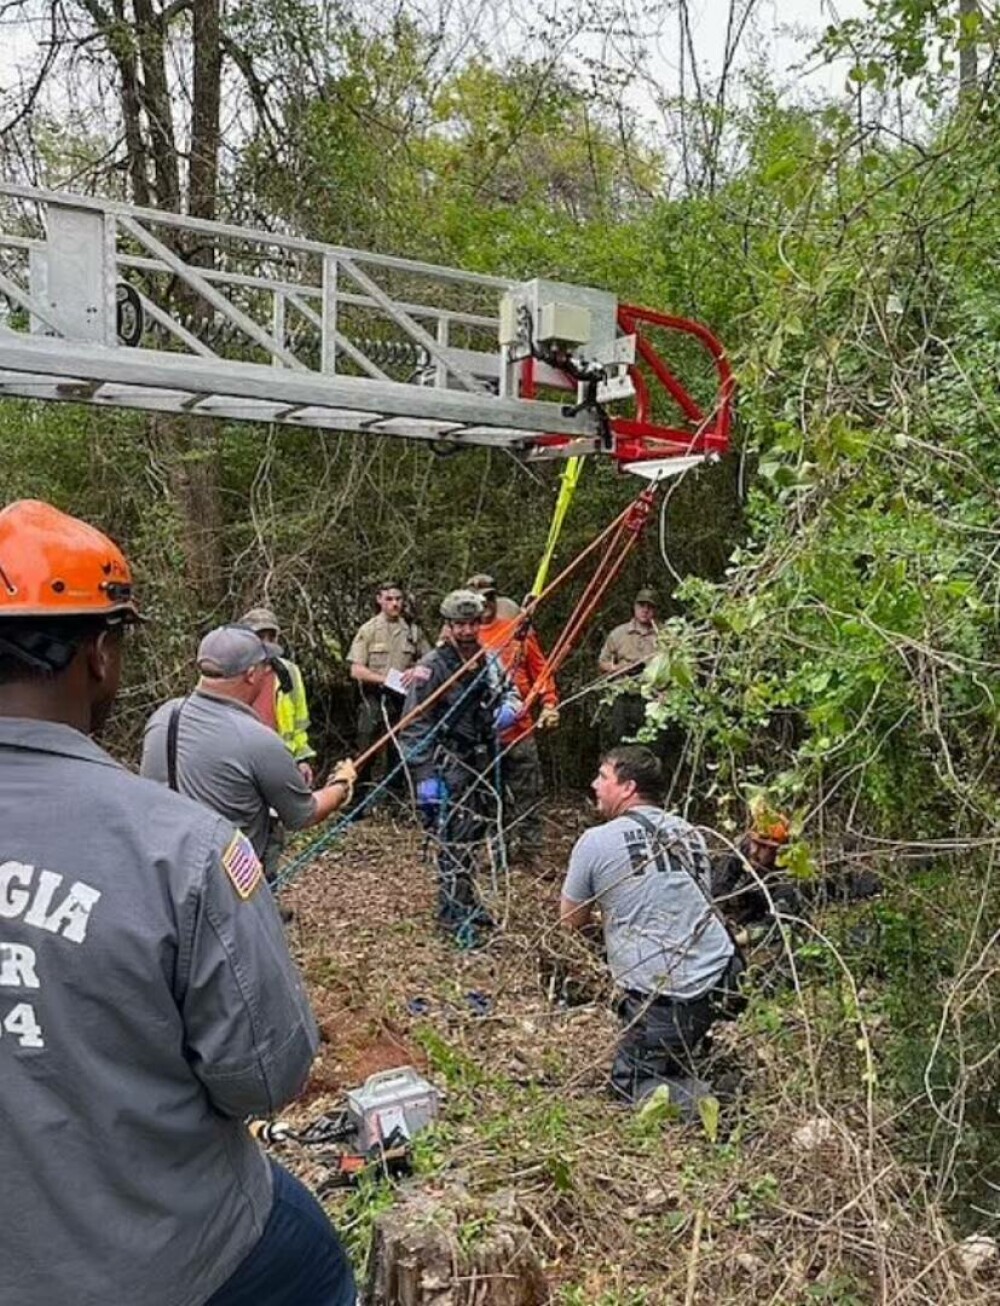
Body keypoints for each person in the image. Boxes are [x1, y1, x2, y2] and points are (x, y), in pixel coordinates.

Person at [0, 499, 354, 1306]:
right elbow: (266, 1080)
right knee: (317, 1264)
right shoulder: (188, 851)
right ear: (100, 654)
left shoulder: (169, 732)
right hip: (158, 1258)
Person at [560, 745, 736, 1114]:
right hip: (720, 978)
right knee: (669, 1044)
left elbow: (570, 921)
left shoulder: (596, 842)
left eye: (603, 777)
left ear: (628, 788)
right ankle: (684, 1054)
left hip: (666, 996)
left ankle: (716, 1099)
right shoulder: (690, 833)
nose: (595, 784)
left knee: (631, 1085)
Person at [140, 624, 356, 883]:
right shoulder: (259, 740)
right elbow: (303, 814)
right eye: (266, 667)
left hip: (166, 874)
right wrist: (341, 785)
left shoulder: (165, 715)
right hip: (228, 888)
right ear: (252, 674)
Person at [398, 588, 520, 946]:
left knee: (472, 835)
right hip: (446, 764)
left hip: (479, 759)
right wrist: (426, 784)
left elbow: (497, 700)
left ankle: (466, 900)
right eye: (459, 625)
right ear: (448, 626)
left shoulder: (485, 662)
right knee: (453, 839)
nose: (467, 631)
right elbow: (414, 728)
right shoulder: (432, 668)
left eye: (472, 623)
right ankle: (452, 915)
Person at [467, 573, 559, 866]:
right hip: (483, 734)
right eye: (479, 600)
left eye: (490, 598)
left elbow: (540, 668)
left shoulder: (516, 631)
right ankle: (497, 851)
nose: (485, 605)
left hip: (519, 730)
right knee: (488, 795)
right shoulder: (464, 641)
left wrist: (549, 703)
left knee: (528, 791)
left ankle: (531, 852)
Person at [348, 580, 431, 804]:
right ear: (379, 600)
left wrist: (415, 672)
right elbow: (356, 670)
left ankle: (393, 802)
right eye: (389, 599)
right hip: (373, 697)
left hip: (402, 698)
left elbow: (429, 663)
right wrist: (384, 679)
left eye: (398, 599)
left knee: (399, 749)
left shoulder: (413, 632)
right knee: (366, 749)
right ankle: (357, 801)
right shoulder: (369, 630)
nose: (394, 604)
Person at [241, 605, 316, 784]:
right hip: (243, 761)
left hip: (281, 759)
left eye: (271, 636)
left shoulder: (288, 672)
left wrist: (302, 760)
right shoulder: (234, 671)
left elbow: (299, 723)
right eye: (260, 636)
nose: (266, 642)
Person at [598, 588, 660, 743]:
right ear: (634, 607)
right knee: (619, 741)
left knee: (650, 744)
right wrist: (619, 668)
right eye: (641, 605)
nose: (645, 610)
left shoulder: (663, 636)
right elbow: (602, 662)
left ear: (655, 610)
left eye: (649, 606)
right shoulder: (619, 633)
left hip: (650, 697)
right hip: (623, 696)